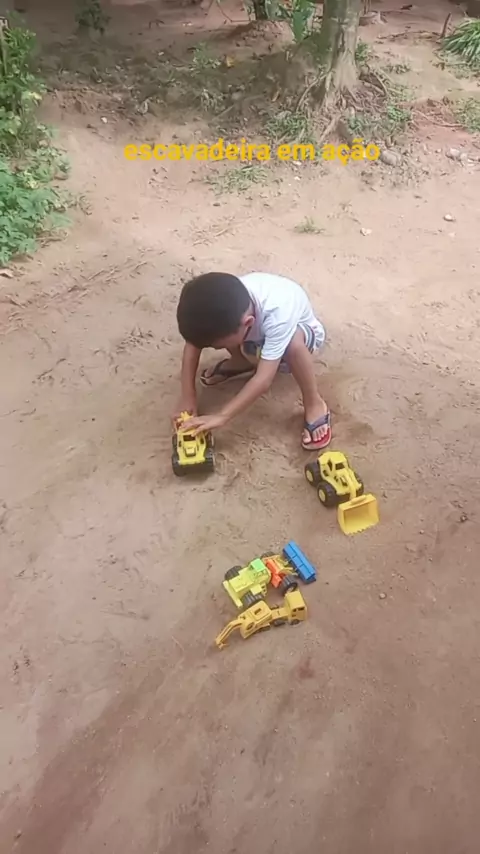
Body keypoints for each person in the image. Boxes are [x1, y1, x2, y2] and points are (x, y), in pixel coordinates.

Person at [173, 271, 331, 450]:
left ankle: (314, 402)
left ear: (248, 322)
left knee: (293, 344)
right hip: (254, 337)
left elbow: (263, 379)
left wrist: (222, 416)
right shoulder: (226, 302)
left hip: (302, 334)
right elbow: (193, 344)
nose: (216, 349)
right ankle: (241, 362)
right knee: (216, 333)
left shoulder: (278, 315)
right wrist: (188, 396)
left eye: (218, 347)